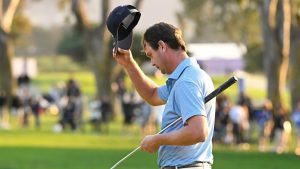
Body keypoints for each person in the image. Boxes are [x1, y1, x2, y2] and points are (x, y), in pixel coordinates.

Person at [113, 22, 215, 169]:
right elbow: (152, 95)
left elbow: (198, 131)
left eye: (151, 55)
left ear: (162, 46)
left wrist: (157, 139)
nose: (152, 63)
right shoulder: (187, 77)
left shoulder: (186, 82)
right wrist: (129, 63)